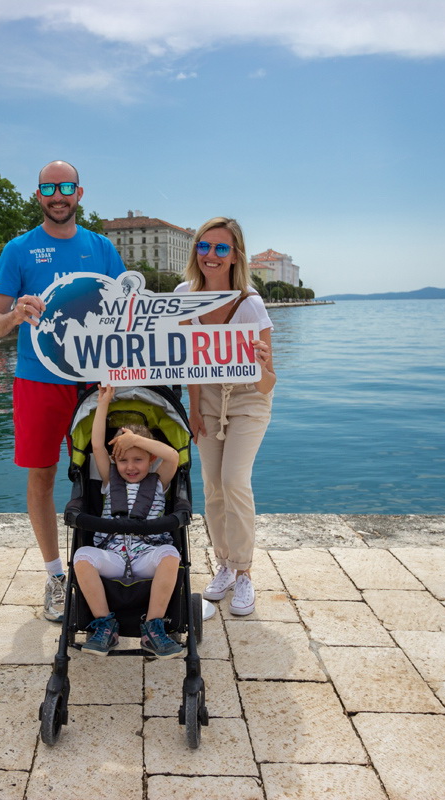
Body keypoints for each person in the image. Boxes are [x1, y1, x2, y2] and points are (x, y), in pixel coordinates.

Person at [0, 160, 125, 622]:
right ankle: (55, 577)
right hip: (38, 380)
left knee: (105, 473)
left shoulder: (102, 248)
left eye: (66, 187)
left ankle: (102, 565)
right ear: (39, 195)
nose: (58, 195)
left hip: (94, 383)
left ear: (80, 193)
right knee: (42, 477)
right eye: (49, 188)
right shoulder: (18, 250)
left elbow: (127, 314)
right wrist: (14, 316)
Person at [175, 217, 276, 615]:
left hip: (249, 399)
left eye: (220, 248)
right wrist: (195, 409)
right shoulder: (184, 294)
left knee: (235, 480)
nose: (211, 255)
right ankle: (224, 565)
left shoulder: (250, 303)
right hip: (207, 400)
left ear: (235, 255)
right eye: (204, 246)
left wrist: (265, 367)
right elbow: (187, 361)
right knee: (212, 485)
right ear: (196, 251)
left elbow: (269, 383)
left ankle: (245, 571)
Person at [73, 386, 183, 658]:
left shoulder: (159, 483)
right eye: (123, 460)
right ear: (114, 461)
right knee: (82, 556)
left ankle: (153, 628)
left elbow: (174, 456)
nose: (130, 467)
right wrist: (104, 403)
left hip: (147, 555)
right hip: (114, 557)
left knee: (171, 555)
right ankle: (105, 624)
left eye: (138, 459)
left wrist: (137, 440)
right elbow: (97, 444)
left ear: (150, 459)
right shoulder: (110, 482)